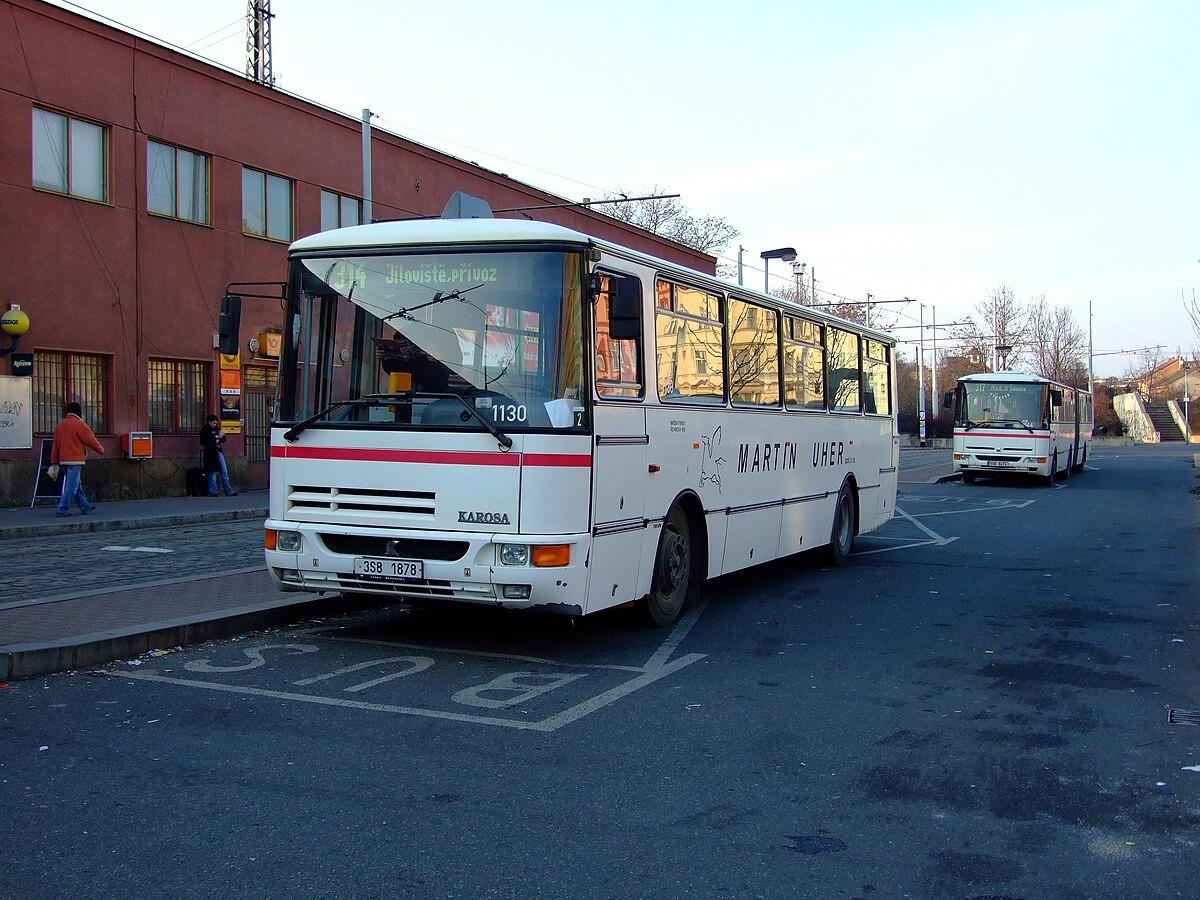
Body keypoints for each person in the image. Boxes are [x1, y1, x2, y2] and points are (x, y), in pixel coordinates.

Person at [49, 401, 104, 517]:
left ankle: (85, 507)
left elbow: (55, 445)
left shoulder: (60, 425)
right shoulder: (79, 424)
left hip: (63, 460)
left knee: (76, 485)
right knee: (72, 486)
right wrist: (101, 450)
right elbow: (90, 439)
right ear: (79, 412)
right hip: (75, 460)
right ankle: (62, 509)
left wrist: (54, 462)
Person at [199, 414, 237, 497]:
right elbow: (203, 441)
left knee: (224, 471)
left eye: (216, 423)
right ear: (209, 422)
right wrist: (215, 438)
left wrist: (218, 438)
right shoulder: (205, 430)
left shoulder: (217, 429)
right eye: (213, 423)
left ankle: (229, 491)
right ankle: (212, 491)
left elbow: (223, 439)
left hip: (218, 451)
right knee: (211, 471)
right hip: (209, 452)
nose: (215, 424)